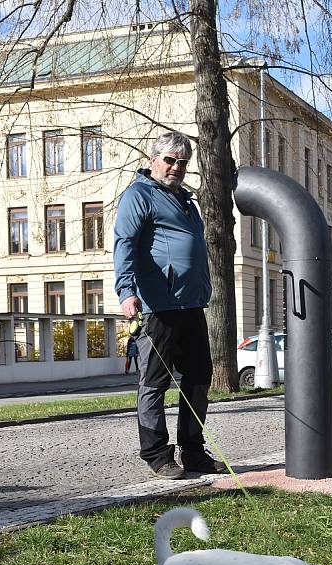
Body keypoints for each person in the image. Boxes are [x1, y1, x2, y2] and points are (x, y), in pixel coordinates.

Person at [113, 130, 225, 480]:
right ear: (153, 160)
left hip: (190, 304)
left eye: (182, 163)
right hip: (158, 305)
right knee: (154, 382)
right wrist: (126, 291)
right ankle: (157, 455)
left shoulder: (185, 200)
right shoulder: (138, 195)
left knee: (198, 378)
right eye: (170, 160)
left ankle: (192, 451)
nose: (176, 167)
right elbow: (125, 243)